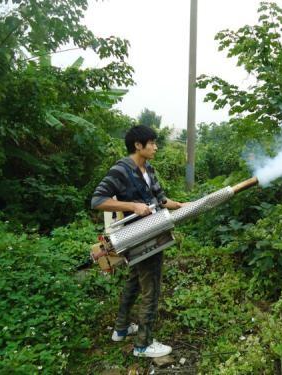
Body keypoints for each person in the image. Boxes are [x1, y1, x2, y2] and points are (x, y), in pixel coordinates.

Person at [91, 125, 187, 358]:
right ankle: (143, 345)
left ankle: (121, 330)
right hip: (138, 237)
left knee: (134, 282)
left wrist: (182, 206)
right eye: (152, 142)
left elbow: (160, 199)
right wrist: (131, 206)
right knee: (151, 286)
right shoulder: (121, 170)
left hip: (153, 230)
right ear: (138, 145)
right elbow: (97, 200)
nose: (156, 147)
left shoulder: (149, 169)